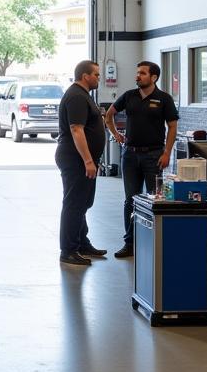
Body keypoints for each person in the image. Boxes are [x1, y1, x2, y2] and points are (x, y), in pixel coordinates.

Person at [104, 61, 179, 258]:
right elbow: (109, 115)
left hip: (154, 155)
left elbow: (172, 126)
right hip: (130, 154)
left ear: (153, 77)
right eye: (137, 73)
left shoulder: (164, 99)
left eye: (142, 73)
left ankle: (154, 241)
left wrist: (167, 153)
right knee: (131, 199)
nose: (138, 76)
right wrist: (116, 134)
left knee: (154, 199)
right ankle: (130, 243)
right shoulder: (129, 96)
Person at [56, 60, 107, 265]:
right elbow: (76, 129)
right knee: (74, 204)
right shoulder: (77, 96)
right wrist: (87, 160)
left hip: (82, 159)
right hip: (75, 159)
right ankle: (68, 250)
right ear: (85, 76)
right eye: (96, 74)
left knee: (83, 203)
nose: (99, 78)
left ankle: (81, 243)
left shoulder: (83, 95)